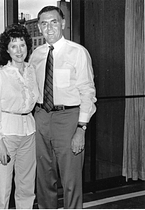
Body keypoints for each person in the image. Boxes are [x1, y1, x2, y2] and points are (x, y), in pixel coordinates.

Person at [31, 6, 97, 209]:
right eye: (44, 23)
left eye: (53, 22)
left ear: (63, 24)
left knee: (71, 180)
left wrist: (81, 128)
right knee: (43, 178)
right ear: (39, 27)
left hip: (68, 118)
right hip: (40, 117)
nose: (49, 28)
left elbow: (88, 92)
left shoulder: (77, 52)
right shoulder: (36, 55)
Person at [0, 23, 39, 209]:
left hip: (29, 133)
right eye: (13, 45)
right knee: (2, 188)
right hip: (5, 136)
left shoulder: (32, 72)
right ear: (7, 49)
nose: (19, 50)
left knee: (26, 187)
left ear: (27, 46)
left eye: (22, 44)